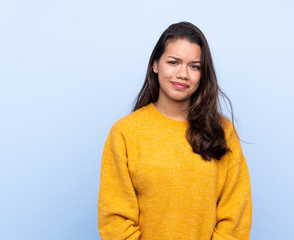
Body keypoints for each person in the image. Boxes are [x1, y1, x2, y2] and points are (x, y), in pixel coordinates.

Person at [98, 21, 252, 240]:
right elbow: (114, 220)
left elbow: (236, 216)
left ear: (202, 74)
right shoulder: (125, 132)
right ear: (155, 65)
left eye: (194, 66)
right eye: (173, 62)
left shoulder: (222, 131)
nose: (183, 74)